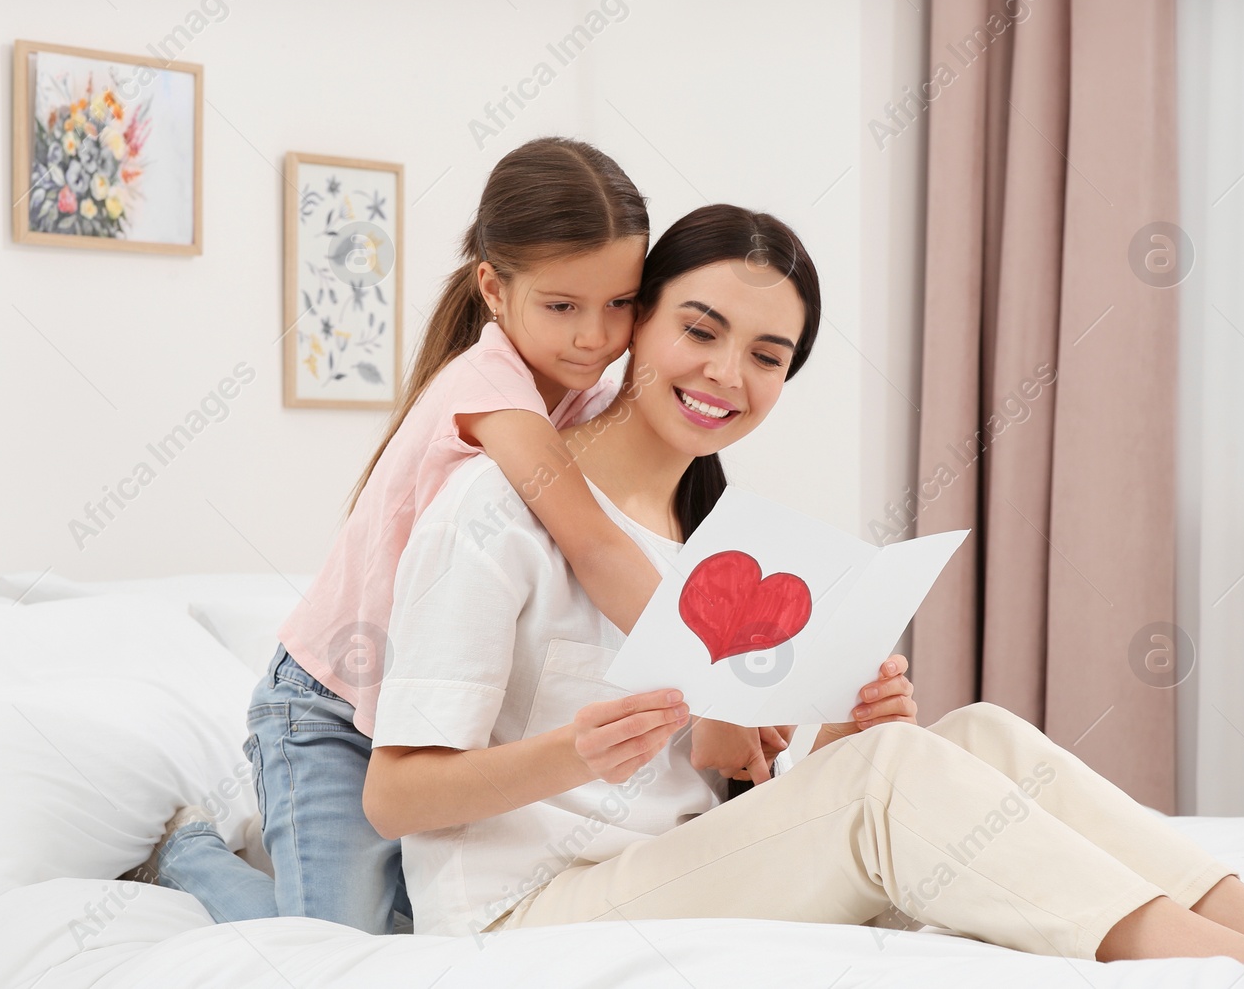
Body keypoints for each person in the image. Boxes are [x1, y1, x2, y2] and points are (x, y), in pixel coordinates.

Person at [361, 203, 1244, 964]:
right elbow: (394, 793)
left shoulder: (710, 537)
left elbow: (716, 784)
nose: (724, 374)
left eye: (766, 354)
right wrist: (573, 753)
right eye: (698, 330)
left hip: (661, 865)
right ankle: (1225, 968)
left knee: (975, 734)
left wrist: (831, 739)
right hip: (520, 914)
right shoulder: (496, 508)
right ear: (634, 324)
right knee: (891, 778)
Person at [142, 139, 781, 931]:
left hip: (418, 711)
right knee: (332, 952)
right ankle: (192, 852)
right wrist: (717, 687)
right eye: (561, 306)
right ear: (493, 287)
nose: (592, 336)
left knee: (413, 928)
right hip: (330, 711)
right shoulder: (490, 393)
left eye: (618, 304)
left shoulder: (584, 396)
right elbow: (596, 545)